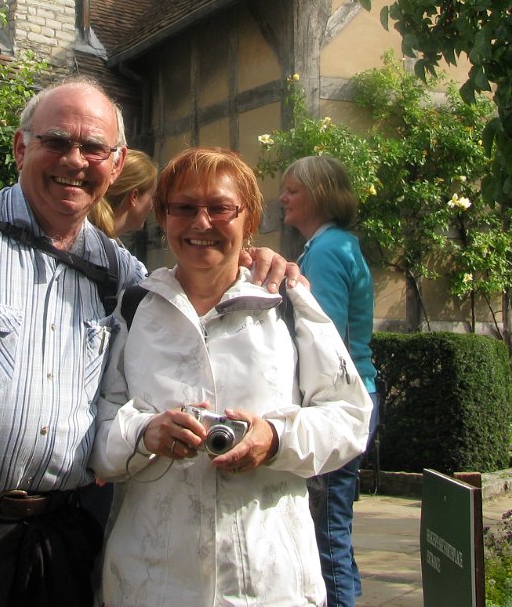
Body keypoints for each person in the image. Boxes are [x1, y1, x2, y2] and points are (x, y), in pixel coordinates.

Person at [0, 78, 301, 607]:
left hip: (59, 545)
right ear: (20, 147)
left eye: (93, 147)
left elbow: (196, 283)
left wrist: (254, 262)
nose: (74, 161)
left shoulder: (121, 275)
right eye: (56, 141)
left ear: (116, 165)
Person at [91, 147, 372, 607]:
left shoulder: (286, 304)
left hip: (267, 584)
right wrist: (145, 433)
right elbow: (97, 438)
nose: (201, 223)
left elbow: (350, 416)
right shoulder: (136, 308)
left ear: (249, 218)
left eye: (221, 208)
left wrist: (274, 438)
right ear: (163, 217)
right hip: (151, 583)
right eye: (184, 208)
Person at [280, 154, 379, 607]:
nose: (283, 198)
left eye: (293, 191)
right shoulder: (336, 245)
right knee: (334, 525)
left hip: (339, 404)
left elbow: (325, 336)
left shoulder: (325, 250)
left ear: (318, 196)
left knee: (326, 533)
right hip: (358, 395)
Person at [87, 149, 158, 240]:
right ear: (134, 197)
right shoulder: (91, 241)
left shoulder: (83, 232)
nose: (152, 208)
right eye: (152, 197)